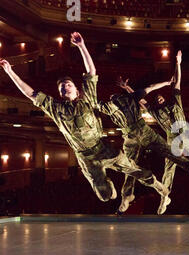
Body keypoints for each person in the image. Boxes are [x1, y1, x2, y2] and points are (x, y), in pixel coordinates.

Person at [0, 32, 169, 205]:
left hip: (103, 149)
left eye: (68, 84)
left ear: (76, 90)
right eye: (61, 87)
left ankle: (159, 187)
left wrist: (81, 46)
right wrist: (10, 72)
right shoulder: (55, 108)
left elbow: (91, 71)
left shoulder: (87, 99)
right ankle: (107, 186)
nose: (65, 86)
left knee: (135, 169)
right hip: (86, 159)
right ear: (60, 93)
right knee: (104, 196)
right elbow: (30, 94)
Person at [120, 51, 189, 214]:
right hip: (172, 140)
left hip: (185, 135)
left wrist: (178, 63)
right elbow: (139, 99)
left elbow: (177, 83)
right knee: (169, 167)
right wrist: (126, 87)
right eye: (156, 98)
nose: (158, 99)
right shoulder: (155, 112)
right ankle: (165, 196)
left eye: (160, 97)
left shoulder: (175, 103)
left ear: (164, 98)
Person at [97, 78, 189, 215]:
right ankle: (127, 196)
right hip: (135, 134)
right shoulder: (118, 102)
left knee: (156, 156)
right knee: (133, 164)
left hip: (137, 133)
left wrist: (166, 83)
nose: (113, 98)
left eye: (113, 97)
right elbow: (151, 87)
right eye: (112, 98)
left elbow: (151, 87)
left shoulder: (121, 101)